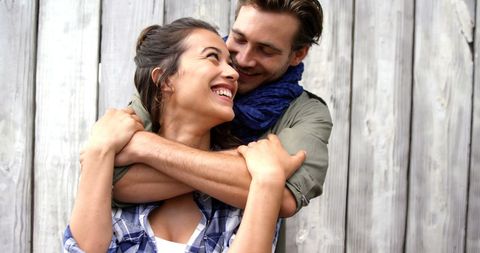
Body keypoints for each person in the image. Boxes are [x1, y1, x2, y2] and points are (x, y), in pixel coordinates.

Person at [64, 18, 305, 253]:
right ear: (165, 79)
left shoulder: (246, 185)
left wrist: (267, 181)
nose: (233, 72)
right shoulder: (112, 176)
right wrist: (98, 148)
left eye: (229, 63)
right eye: (213, 57)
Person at [113, 0, 332, 220]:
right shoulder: (182, 74)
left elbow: (282, 199)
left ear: (298, 54)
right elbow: (115, 180)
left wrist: (149, 147)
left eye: (266, 50)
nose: (243, 60)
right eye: (239, 38)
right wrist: (257, 170)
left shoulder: (306, 114)